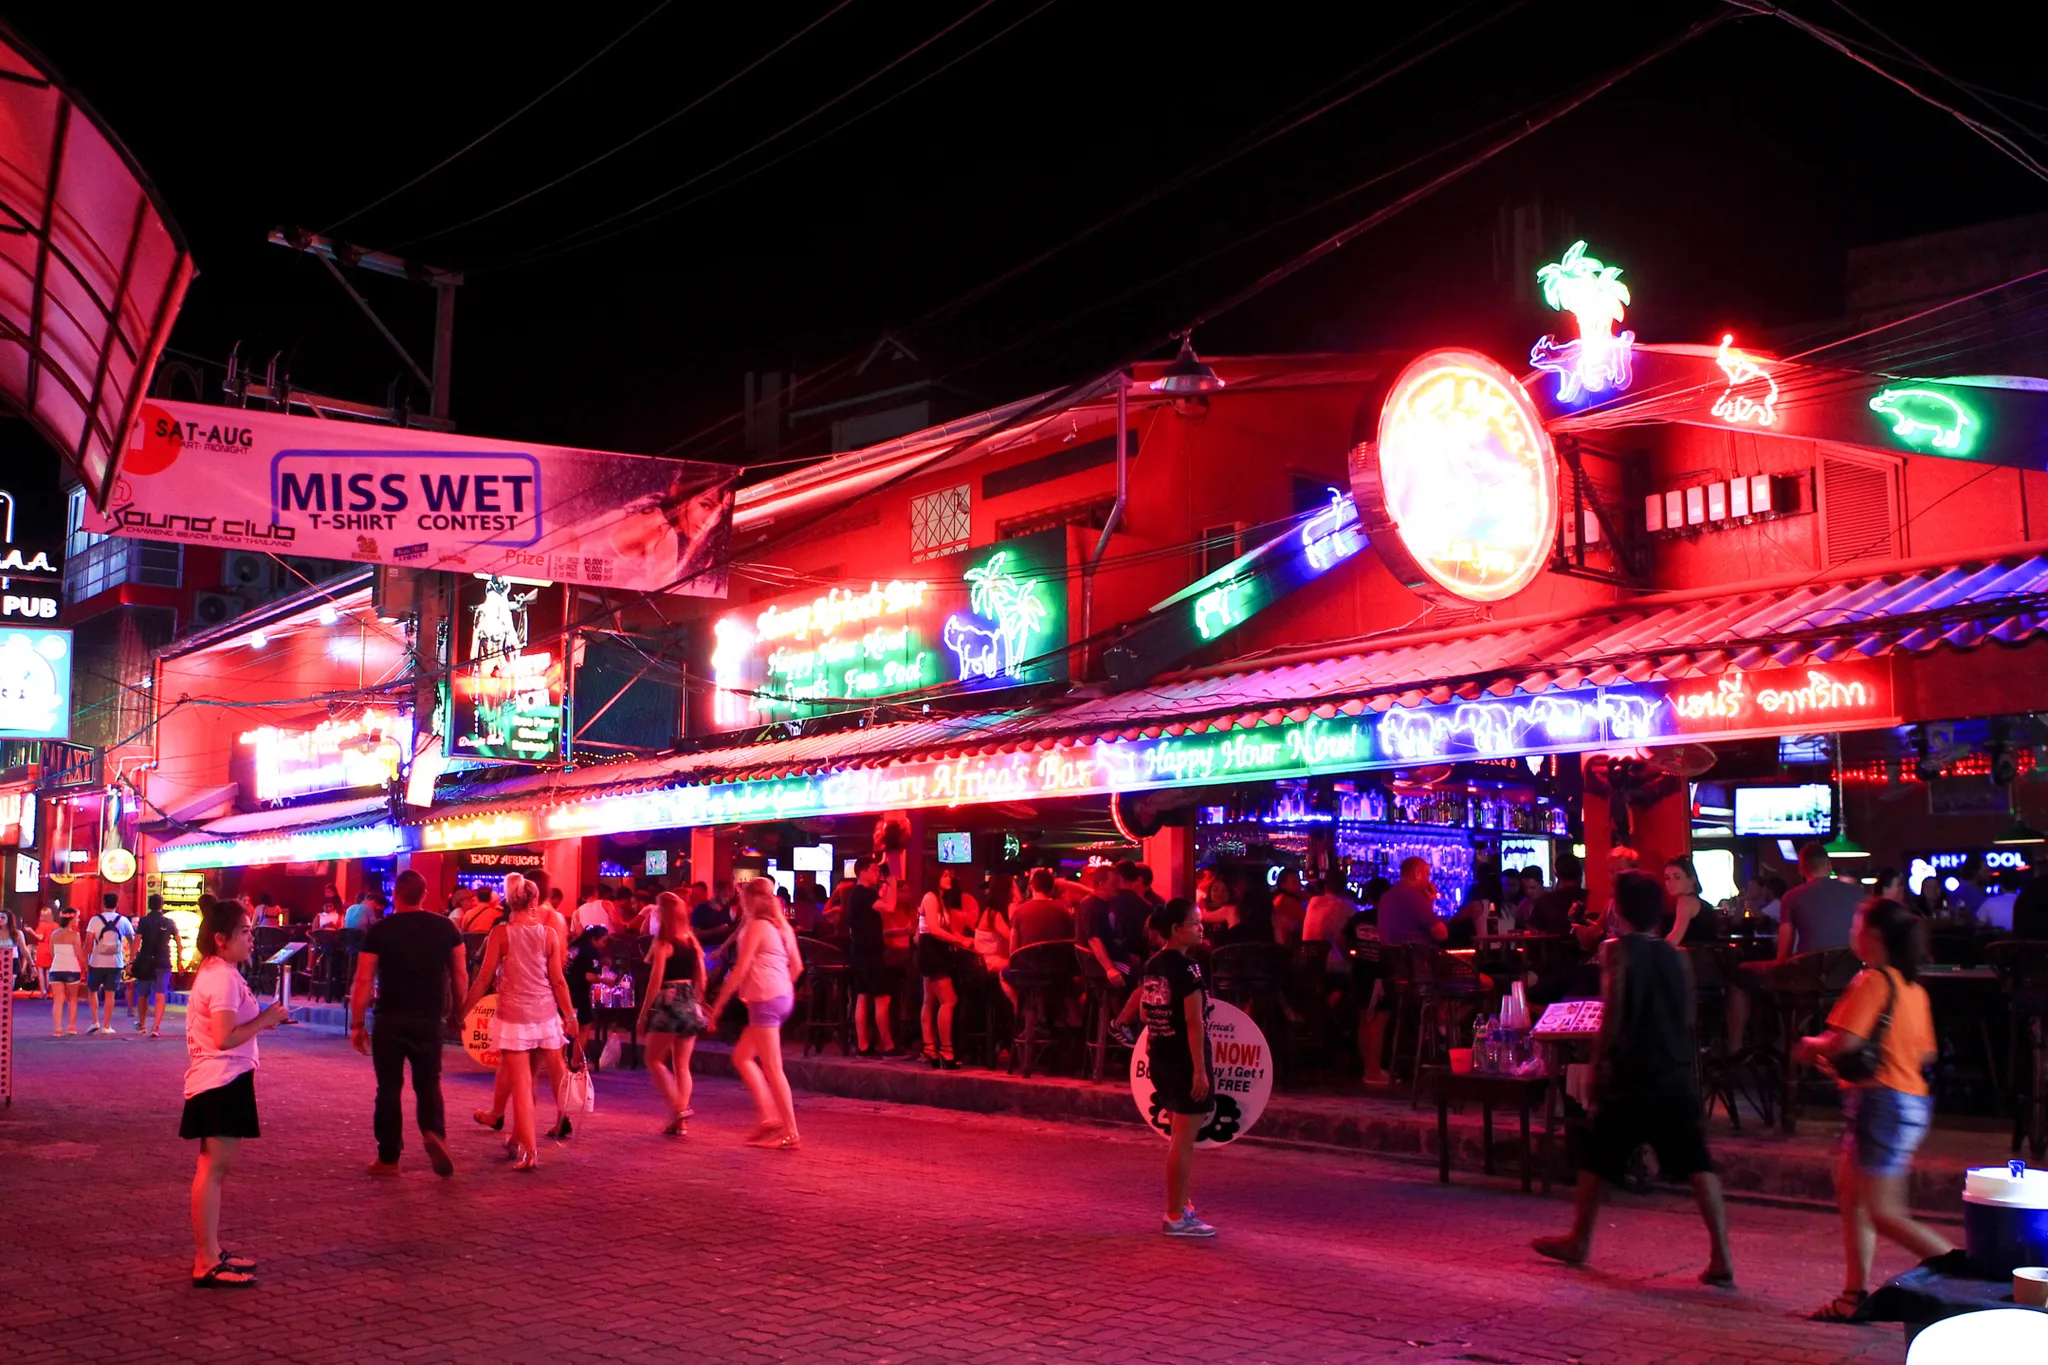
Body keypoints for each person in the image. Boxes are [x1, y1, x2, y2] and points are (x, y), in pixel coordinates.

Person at [1532, 870, 1734, 1287]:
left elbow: (1615, 1011)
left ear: (1618, 910)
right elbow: (1687, 1013)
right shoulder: (1676, 956)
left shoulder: (1615, 951)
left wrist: (1599, 1061)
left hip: (1633, 1068)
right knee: (1697, 1162)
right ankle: (1721, 1255)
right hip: (1674, 1068)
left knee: (1599, 1157)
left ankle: (1579, 1240)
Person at [1793, 897, 1954, 1319]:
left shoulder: (1872, 980)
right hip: (1904, 1101)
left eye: (1856, 925)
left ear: (1874, 936)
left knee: (1884, 1213)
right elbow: (1924, 1053)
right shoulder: (1913, 988)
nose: (1852, 932)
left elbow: (1845, 1040)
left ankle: (1970, 1275)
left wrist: (1810, 1045)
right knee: (1855, 1201)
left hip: (1881, 1103)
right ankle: (1853, 1297)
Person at [182, 898, 291, 1287]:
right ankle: (206, 1260)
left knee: (214, 1168)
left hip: (223, 1078)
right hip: (221, 1080)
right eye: (244, 931)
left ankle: (211, 1251)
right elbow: (224, 1037)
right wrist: (265, 1019)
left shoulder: (221, 972)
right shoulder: (222, 978)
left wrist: (260, 1021)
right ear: (221, 938)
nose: (251, 938)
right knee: (213, 1170)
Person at [351, 869, 467, 1178]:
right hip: (429, 1018)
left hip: (390, 1018)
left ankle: (388, 1158)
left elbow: (363, 979)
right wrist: (458, 1013)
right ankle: (433, 1132)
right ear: (424, 895)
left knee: (388, 1087)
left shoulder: (380, 930)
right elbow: (460, 975)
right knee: (428, 1083)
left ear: (395, 895)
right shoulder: (446, 928)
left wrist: (357, 1023)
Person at [459, 874, 576, 1169]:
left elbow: (484, 978)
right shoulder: (548, 934)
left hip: (514, 1017)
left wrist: (463, 1012)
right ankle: (518, 1142)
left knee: (523, 1085)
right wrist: (570, 1015)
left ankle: (530, 1151)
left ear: (510, 901)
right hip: (545, 1015)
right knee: (531, 1079)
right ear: (534, 900)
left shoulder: (501, 934)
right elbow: (558, 981)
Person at [706, 879, 803, 1150]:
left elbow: (740, 969)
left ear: (750, 901)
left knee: (772, 1066)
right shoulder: (782, 927)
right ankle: (769, 1117)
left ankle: (790, 1131)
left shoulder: (757, 927)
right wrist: (781, 987)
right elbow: (797, 967)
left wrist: (718, 1005)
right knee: (742, 1057)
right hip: (781, 997)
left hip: (765, 999)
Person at [1140, 900, 1217, 1237]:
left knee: (1178, 1138)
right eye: (1195, 923)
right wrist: (1200, 1070)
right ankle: (1175, 1214)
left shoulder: (1152, 965)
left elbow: (1146, 1013)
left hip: (1161, 1056)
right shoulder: (1189, 969)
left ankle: (1182, 1204)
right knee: (1183, 1142)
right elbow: (1194, 1021)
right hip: (1184, 1060)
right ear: (1176, 929)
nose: (1201, 928)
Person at [637, 892, 708, 1136]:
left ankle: (679, 1108)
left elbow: (655, 981)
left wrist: (644, 1012)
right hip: (690, 1000)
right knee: (682, 1065)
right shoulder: (691, 940)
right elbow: (702, 976)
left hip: (670, 1000)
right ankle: (680, 1122)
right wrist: (698, 1001)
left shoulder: (664, 942)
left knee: (653, 1059)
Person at [916, 871, 977, 1069]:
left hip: (935, 952)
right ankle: (946, 1050)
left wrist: (963, 940)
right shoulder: (930, 897)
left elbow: (944, 930)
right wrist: (960, 940)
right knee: (949, 1000)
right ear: (934, 878)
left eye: (949, 876)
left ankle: (929, 1047)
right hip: (931, 953)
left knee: (929, 1000)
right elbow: (934, 930)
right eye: (944, 876)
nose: (949, 879)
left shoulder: (939, 900)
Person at [844, 858, 896, 1057]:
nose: (877, 874)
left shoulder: (855, 894)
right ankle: (888, 1045)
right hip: (870, 952)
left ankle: (863, 1045)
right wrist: (892, 884)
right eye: (874, 870)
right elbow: (890, 907)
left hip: (859, 950)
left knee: (863, 996)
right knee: (882, 997)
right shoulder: (865, 893)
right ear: (863, 871)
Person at [1778, 843, 1863, 959]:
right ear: (1829, 866)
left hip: (1808, 966)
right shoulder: (1858, 893)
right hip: (1851, 965)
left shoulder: (1790, 897)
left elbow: (1783, 953)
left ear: (1801, 870)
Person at [132, 894, 183, 1039]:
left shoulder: (144, 921)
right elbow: (179, 942)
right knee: (161, 994)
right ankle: (156, 1027)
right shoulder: (169, 922)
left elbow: (137, 941)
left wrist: (131, 961)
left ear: (149, 905)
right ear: (162, 905)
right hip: (163, 960)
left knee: (143, 994)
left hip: (145, 960)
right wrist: (179, 961)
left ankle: (142, 1024)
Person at [82, 893, 131, 1035]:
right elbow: (132, 940)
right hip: (115, 963)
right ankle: (107, 1025)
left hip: (96, 962)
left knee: (93, 990)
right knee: (110, 994)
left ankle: (95, 1021)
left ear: (103, 903)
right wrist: (131, 959)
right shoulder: (123, 920)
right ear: (117, 903)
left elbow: (88, 943)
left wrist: (85, 961)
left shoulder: (95, 920)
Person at [565, 923, 608, 1070]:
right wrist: (606, 981)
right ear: (594, 939)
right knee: (584, 1026)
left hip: (564, 991)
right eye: (603, 940)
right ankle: (575, 1062)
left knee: (564, 1025)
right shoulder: (591, 951)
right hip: (578, 992)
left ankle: (560, 1060)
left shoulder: (573, 946)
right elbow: (589, 976)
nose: (604, 945)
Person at [1009, 869, 1074, 947]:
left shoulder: (1019, 912)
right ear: (1051, 889)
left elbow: (1013, 947)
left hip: (1029, 955)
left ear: (1031, 886)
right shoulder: (1063, 910)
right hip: (1057, 955)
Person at [46, 907, 84, 1035]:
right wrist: (86, 966)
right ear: (71, 919)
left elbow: (52, 953)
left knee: (58, 1000)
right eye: (77, 918)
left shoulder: (54, 934)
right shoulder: (74, 935)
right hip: (71, 969)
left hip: (56, 969)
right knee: (72, 999)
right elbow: (79, 953)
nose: (78, 920)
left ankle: (58, 1028)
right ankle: (71, 1027)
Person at [1662, 856, 1713, 945]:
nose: (1671, 882)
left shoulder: (1686, 901)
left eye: (1677, 877)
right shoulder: (1700, 902)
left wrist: (1656, 950)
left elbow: (1675, 938)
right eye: (1667, 878)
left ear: (1692, 879)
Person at [1271, 868, 1308, 945]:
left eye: (1299, 881)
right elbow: (1305, 921)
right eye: (1294, 882)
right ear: (1282, 885)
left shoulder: (1298, 896)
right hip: (1289, 946)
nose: (1299, 884)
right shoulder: (1283, 901)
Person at [1948, 857, 1990, 923]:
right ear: (1975, 872)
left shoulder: (1955, 893)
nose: (1989, 874)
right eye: (1985, 871)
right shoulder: (1973, 895)